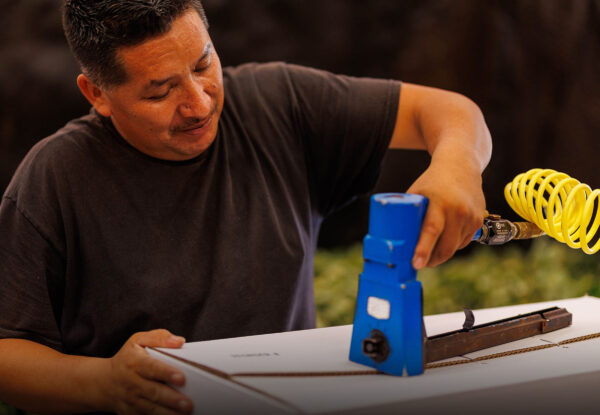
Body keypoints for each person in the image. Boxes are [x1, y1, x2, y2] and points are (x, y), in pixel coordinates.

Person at [0, 0, 491, 413]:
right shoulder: (55, 178)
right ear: (97, 94)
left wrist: (457, 165)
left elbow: (451, 113)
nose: (198, 103)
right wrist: (104, 382)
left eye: (202, 65)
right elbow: (7, 354)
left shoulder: (278, 104)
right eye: (160, 91)